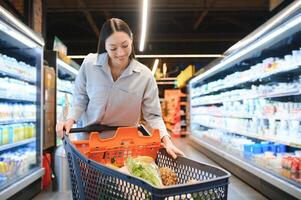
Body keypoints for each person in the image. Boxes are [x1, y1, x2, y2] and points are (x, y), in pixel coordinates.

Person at [56, 18, 184, 159]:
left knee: (119, 178)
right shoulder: (89, 65)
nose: (121, 53)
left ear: (132, 40)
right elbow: (81, 98)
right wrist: (70, 119)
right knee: (88, 180)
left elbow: (153, 116)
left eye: (125, 45)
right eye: (113, 48)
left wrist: (167, 140)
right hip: (88, 143)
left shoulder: (145, 76)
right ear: (104, 46)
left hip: (124, 147)